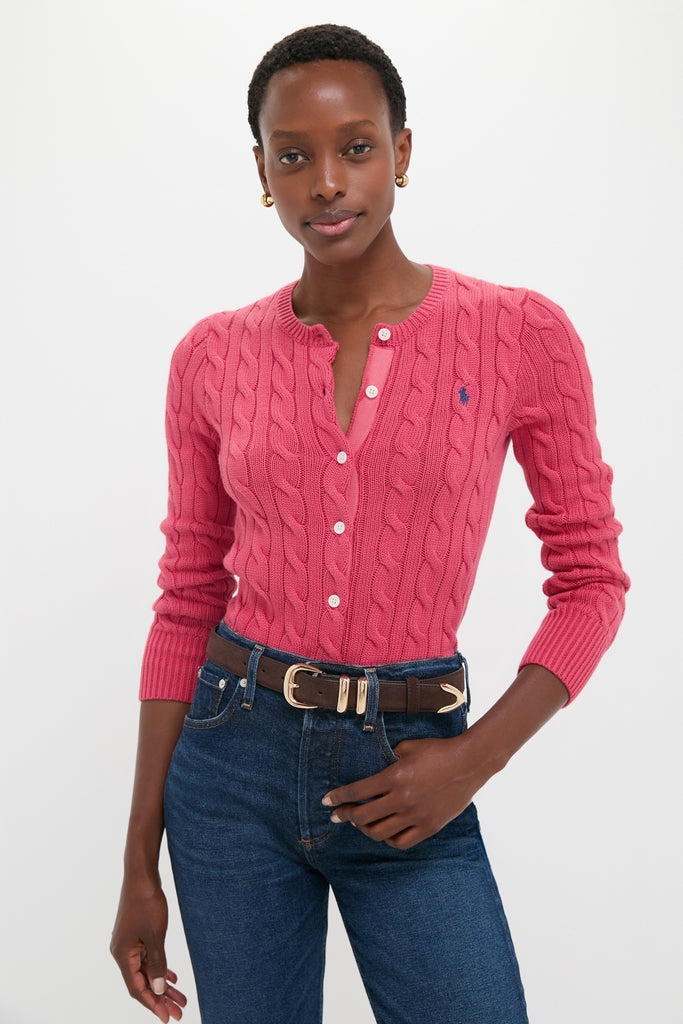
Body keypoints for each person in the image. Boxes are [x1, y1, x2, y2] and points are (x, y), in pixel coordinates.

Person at [110, 23, 629, 1024]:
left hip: (411, 766)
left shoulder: (520, 333)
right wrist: (138, 861)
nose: (326, 182)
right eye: (292, 155)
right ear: (261, 171)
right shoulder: (209, 357)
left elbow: (591, 582)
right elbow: (185, 599)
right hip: (231, 764)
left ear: (401, 150)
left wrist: (474, 756)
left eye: (355, 146)